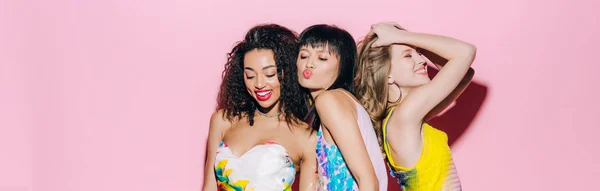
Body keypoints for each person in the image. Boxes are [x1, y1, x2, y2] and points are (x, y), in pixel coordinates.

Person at [354, 22, 477, 191]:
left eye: (418, 53)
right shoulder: (405, 114)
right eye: (407, 56)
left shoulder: (406, 116)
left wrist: (409, 42)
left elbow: (464, 75)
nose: (421, 60)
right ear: (387, 74)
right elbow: (466, 52)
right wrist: (401, 37)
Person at [203, 24, 317, 191]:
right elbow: (209, 187)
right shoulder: (223, 121)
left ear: (288, 73)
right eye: (250, 75)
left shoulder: (306, 139)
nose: (259, 84)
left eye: (270, 74)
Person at [296, 24, 387, 191]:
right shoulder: (343, 100)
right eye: (303, 56)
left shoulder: (329, 100)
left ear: (343, 66)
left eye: (322, 58)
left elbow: (368, 180)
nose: (309, 64)